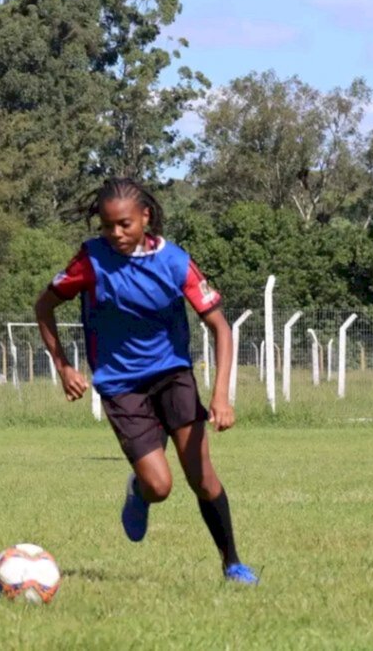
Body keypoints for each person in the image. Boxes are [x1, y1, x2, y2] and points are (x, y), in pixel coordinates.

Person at [33, 178, 258, 585]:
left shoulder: (175, 262)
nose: (115, 234)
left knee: (202, 478)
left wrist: (221, 396)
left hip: (173, 375)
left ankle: (233, 564)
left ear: (145, 217)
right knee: (160, 486)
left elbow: (220, 328)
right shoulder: (89, 261)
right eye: (106, 226)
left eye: (124, 224)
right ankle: (139, 489)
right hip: (121, 385)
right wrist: (64, 365)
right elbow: (44, 306)